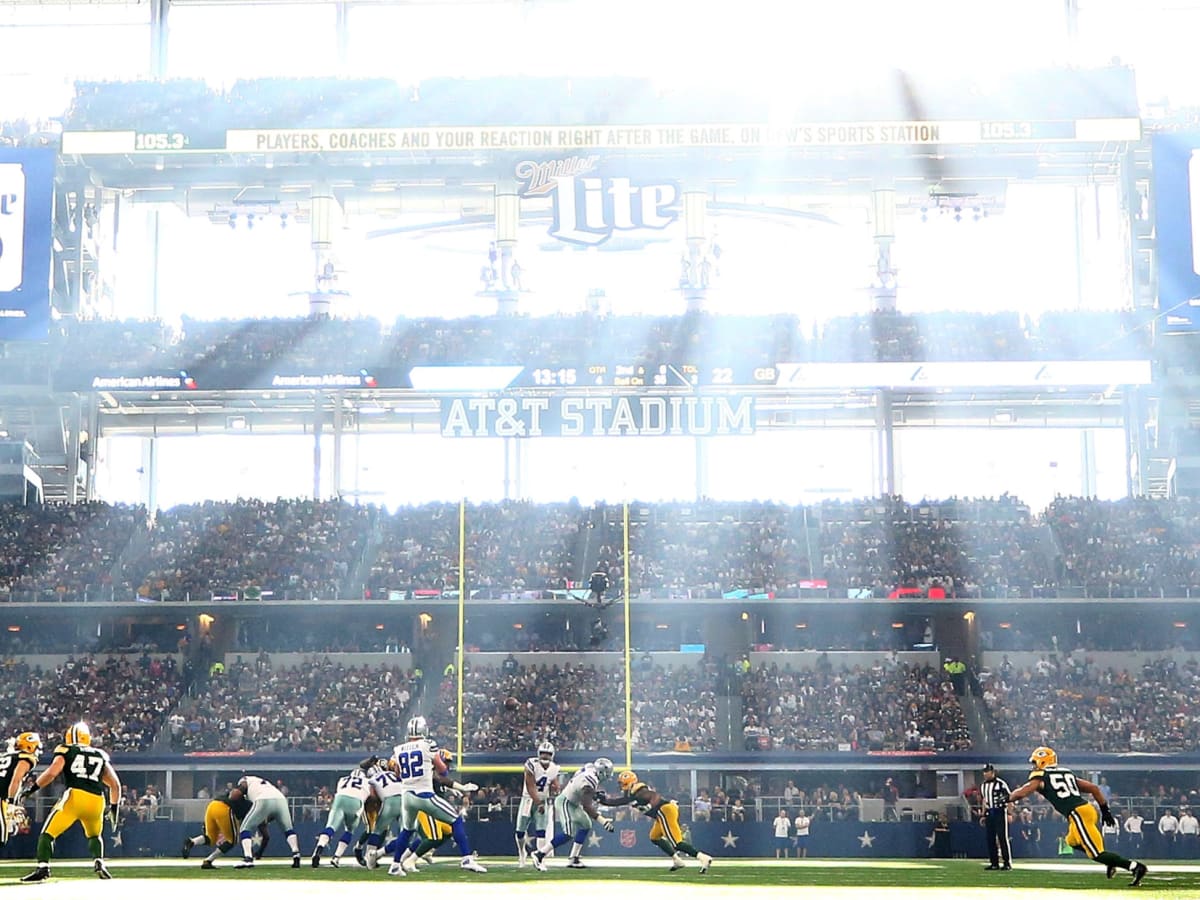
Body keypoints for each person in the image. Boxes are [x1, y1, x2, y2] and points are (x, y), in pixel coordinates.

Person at [1007, 746, 1146, 887]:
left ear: (1042, 762)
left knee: (1095, 854)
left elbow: (1023, 792)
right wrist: (1105, 811)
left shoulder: (1040, 777)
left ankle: (1135, 867)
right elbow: (1094, 788)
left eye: (1035, 762)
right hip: (1086, 810)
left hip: (1077, 813)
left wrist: (1007, 798)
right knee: (1071, 841)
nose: (1033, 766)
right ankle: (1110, 860)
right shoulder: (1066, 772)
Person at [18, 722, 120, 882]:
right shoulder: (99, 754)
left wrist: (32, 789)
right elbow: (115, 785)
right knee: (94, 835)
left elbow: (52, 772)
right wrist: (114, 809)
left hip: (75, 796)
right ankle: (99, 861)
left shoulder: (65, 750)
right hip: (97, 800)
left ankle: (43, 868)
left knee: (47, 834)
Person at [388, 716, 486, 875]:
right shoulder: (428, 744)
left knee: (407, 830)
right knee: (455, 819)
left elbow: (398, 774)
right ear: (424, 730)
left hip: (406, 796)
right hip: (424, 794)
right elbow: (442, 769)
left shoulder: (398, 749)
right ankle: (467, 859)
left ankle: (395, 865)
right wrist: (436, 768)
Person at [598, 770, 713, 873]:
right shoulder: (631, 794)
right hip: (662, 813)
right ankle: (677, 860)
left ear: (632, 782)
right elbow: (617, 802)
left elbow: (655, 796)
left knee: (676, 843)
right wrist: (602, 800)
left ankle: (703, 858)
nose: (622, 786)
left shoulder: (640, 791)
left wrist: (649, 806)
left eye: (624, 783)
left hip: (665, 811)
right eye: (621, 783)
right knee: (654, 837)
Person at [532, 758, 614, 870]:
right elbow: (587, 806)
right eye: (607, 773)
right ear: (601, 772)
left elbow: (578, 784)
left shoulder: (589, 767)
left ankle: (573, 858)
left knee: (586, 824)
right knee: (568, 833)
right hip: (565, 802)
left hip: (574, 802)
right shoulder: (591, 781)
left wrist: (591, 794)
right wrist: (603, 821)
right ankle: (540, 854)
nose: (608, 776)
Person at [183, 787, 271, 868]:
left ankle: (192, 841)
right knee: (232, 841)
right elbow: (245, 826)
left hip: (212, 805)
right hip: (225, 808)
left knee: (211, 838)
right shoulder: (252, 805)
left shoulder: (241, 792)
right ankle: (208, 860)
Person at [311, 759, 378, 867]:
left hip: (340, 799)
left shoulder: (342, 779)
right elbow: (372, 797)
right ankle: (336, 857)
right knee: (349, 831)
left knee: (330, 827)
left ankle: (318, 849)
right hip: (355, 802)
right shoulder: (367, 782)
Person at [233, 774, 302, 868]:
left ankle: (248, 858)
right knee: (288, 829)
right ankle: (296, 853)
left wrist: (230, 799)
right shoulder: (264, 784)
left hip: (263, 799)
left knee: (244, 829)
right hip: (281, 799)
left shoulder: (246, 780)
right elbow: (266, 835)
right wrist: (260, 852)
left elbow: (236, 793)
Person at [516, 741, 559, 866]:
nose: (545, 756)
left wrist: (556, 788)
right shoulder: (531, 764)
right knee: (520, 831)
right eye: (543, 754)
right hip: (528, 799)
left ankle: (540, 858)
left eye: (548, 754)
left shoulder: (554, 768)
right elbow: (530, 786)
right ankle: (522, 852)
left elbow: (554, 783)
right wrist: (538, 803)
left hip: (542, 800)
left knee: (541, 831)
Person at [0, 733, 40, 850]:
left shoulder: (5, 755)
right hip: (1, 796)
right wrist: (11, 802)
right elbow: (16, 779)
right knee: (2, 836)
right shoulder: (26, 758)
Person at [979, 764, 1012, 870]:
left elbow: (1009, 798)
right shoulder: (983, 785)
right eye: (984, 771)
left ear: (993, 772)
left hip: (1000, 811)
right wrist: (983, 815)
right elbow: (985, 801)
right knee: (990, 838)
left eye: (987, 771)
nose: (985, 774)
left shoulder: (1001, 784)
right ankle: (994, 863)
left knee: (1002, 837)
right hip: (989, 812)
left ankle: (1007, 863)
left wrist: (1009, 813)